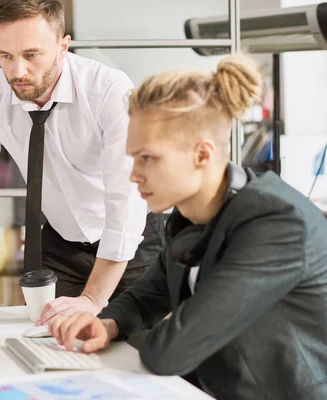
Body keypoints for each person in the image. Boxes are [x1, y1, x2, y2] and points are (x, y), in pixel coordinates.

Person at [48, 53, 327, 400]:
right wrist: (107, 324)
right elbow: (146, 296)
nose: (133, 173)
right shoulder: (189, 216)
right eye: (132, 157)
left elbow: (172, 350)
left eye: (147, 157)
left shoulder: (277, 224)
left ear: (202, 155)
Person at [0, 0, 165, 324]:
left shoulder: (109, 91)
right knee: (50, 340)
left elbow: (124, 205)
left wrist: (92, 299)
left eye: (31, 55)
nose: (17, 72)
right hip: (61, 243)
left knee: (142, 349)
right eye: (5, 56)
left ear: (62, 46)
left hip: (134, 243)